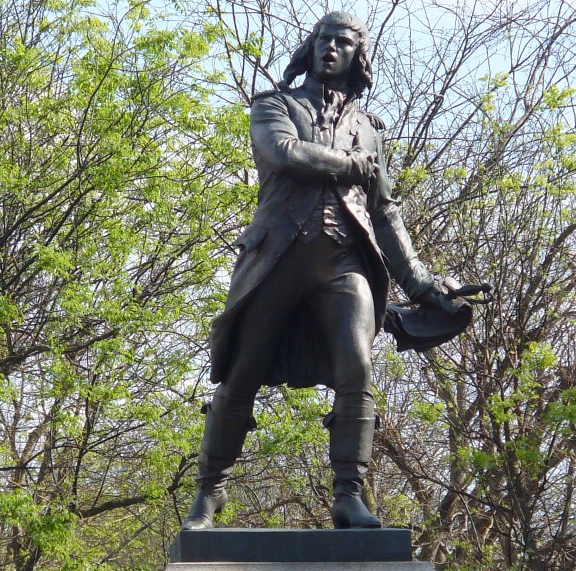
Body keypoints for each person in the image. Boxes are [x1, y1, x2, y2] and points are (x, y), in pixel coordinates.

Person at [182, 11, 458, 531]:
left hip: (343, 261)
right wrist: (349, 164)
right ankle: (210, 491)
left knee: (358, 368)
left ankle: (348, 496)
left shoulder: (371, 129)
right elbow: (282, 153)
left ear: (358, 57)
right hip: (278, 257)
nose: (330, 47)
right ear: (309, 48)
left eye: (343, 42)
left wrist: (424, 282)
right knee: (243, 371)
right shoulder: (274, 105)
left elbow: (385, 211)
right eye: (323, 39)